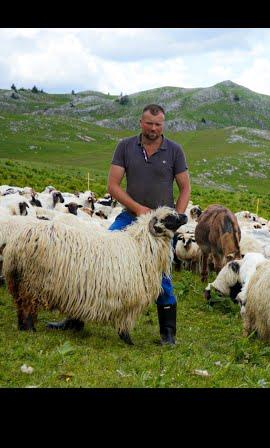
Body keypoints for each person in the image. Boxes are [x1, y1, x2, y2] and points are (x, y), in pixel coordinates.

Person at [47, 104, 191, 345]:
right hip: (130, 216)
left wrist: (175, 218)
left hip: (158, 227)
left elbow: (185, 187)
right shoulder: (126, 146)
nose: (153, 128)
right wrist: (137, 208)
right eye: (149, 123)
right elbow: (113, 186)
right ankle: (75, 317)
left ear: (163, 125)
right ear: (141, 122)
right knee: (96, 259)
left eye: (158, 124)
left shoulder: (174, 151)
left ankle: (168, 334)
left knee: (162, 277)